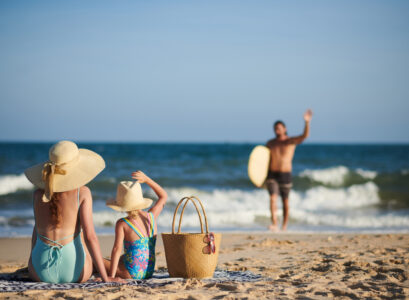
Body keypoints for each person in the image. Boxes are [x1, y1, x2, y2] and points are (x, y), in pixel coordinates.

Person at [24, 140, 122, 283]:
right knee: (80, 232)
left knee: (40, 230)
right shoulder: (82, 193)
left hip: (40, 272)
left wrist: (33, 265)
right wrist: (106, 278)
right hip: (75, 271)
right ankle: (110, 269)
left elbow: (35, 235)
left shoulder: (38, 194)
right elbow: (91, 237)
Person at [104, 171, 167, 279]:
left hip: (131, 274)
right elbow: (163, 196)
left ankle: (107, 272)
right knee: (123, 257)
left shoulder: (122, 223)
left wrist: (112, 276)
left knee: (95, 260)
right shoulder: (151, 216)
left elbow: (116, 249)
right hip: (148, 272)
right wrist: (147, 179)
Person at [266, 109, 313, 232]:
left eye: (279, 128)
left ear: (284, 129)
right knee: (272, 198)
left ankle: (284, 226)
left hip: (285, 174)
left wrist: (307, 122)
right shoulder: (270, 143)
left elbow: (305, 136)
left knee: (285, 202)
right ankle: (275, 224)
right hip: (272, 174)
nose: (277, 130)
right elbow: (263, 160)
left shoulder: (290, 141)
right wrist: (259, 177)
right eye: (275, 128)